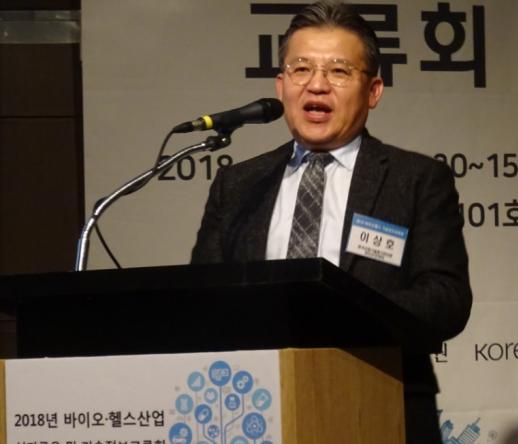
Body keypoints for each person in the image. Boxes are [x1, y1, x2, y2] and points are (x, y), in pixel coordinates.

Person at [191, 2, 472, 443]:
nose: (317, 85)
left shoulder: (416, 180)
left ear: (373, 90)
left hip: (379, 404)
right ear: (281, 86)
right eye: (301, 69)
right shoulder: (239, 184)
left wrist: (339, 310)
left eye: (339, 71)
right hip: (254, 409)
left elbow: (446, 300)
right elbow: (203, 297)